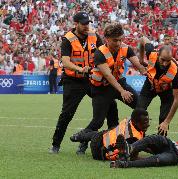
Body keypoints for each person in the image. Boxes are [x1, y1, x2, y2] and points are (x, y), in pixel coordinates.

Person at [49, 12, 118, 154]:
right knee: (67, 114)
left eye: (88, 23)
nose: (87, 26)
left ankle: (91, 140)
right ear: (75, 24)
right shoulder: (68, 39)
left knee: (110, 105)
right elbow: (66, 62)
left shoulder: (94, 36)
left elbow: (104, 52)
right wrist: (81, 69)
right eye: (83, 23)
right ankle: (56, 145)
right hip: (73, 81)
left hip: (92, 79)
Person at [73, 23, 147, 141]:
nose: (118, 43)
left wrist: (145, 70)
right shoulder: (100, 53)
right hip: (101, 89)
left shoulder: (126, 48)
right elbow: (108, 75)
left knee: (140, 109)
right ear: (107, 39)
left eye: (120, 40)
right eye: (115, 40)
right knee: (98, 122)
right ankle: (82, 138)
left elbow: (137, 64)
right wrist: (122, 91)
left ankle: (139, 138)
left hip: (119, 83)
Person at [137, 36, 178, 136]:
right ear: (158, 55)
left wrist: (167, 121)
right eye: (162, 60)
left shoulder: (174, 71)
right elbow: (143, 39)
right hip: (150, 86)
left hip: (166, 91)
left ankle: (161, 142)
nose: (165, 64)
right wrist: (141, 58)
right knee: (139, 111)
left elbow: (177, 100)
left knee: (163, 118)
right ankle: (137, 138)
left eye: (168, 61)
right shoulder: (151, 53)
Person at [70, 108, 150, 161]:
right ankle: (81, 137)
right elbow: (134, 158)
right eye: (144, 123)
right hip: (100, 152)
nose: (148, 125)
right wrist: (152, 157)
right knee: (97, 135)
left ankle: (79, 137)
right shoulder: (133, 137)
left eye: (148, 121)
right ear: (135, 122)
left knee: (101, 133)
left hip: (104, 138)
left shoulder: (129, 120)